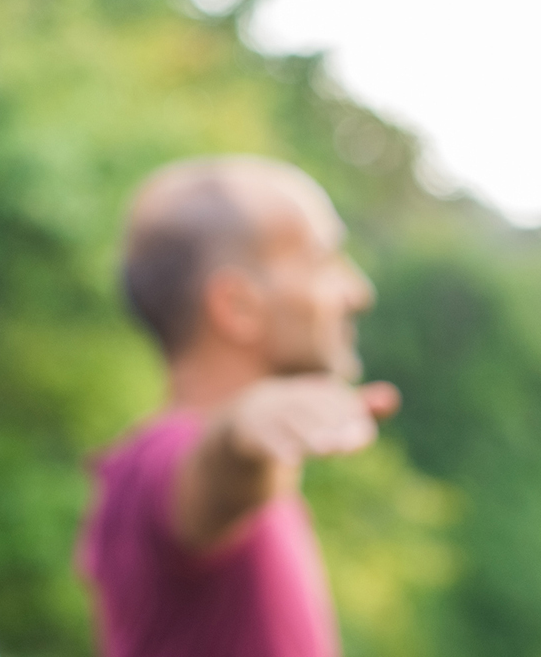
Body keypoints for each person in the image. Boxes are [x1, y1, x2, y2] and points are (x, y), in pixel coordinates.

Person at [77, 156, 401, 657]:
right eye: (323, 260)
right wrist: (241, 432)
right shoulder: (155, 465)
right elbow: (214, 471)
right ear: (238, 306)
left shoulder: (263, 481)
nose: (358, 292)